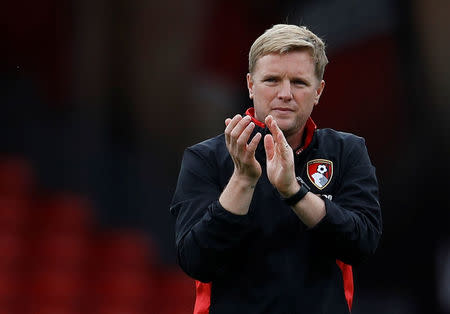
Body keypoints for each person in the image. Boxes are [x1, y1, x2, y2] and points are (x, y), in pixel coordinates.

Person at [170, 24, 382, 314]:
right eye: (271, 80)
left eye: (299, 82)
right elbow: (196, 261)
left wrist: (293, 192)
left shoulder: (346, 151)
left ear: (318, 91)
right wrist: (243, 179)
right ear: (249, 85)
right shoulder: (204, 158)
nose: (285, 93)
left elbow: (362, 244)